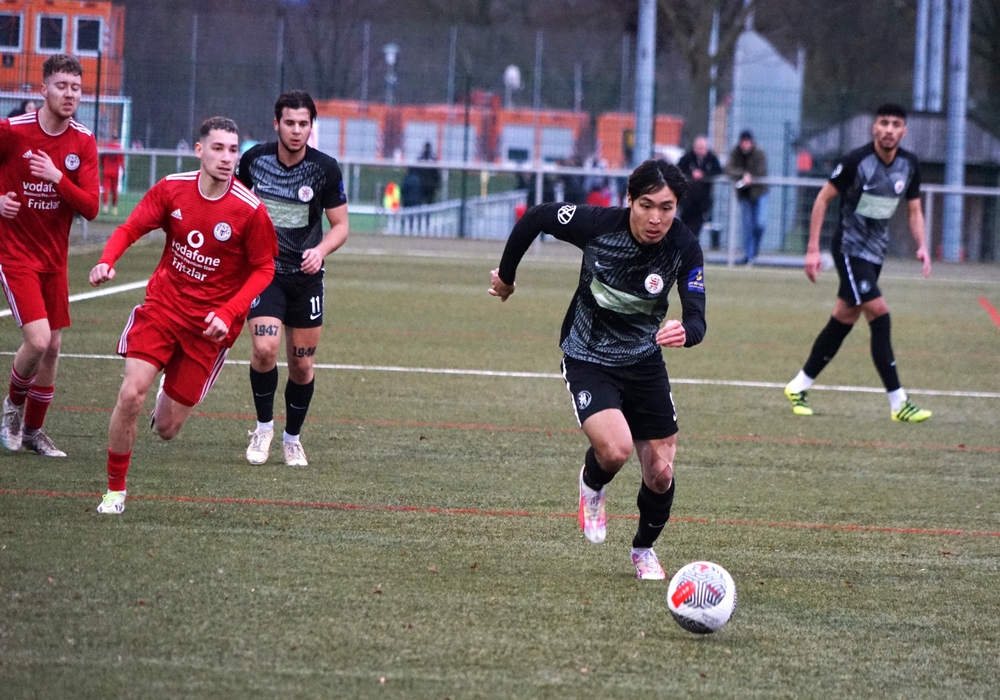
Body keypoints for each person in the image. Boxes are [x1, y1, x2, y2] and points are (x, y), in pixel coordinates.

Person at [489, 160, 707, 581]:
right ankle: (592, 485)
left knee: (661, 475)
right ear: (630, 200)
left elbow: (697, 316)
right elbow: (537, 217)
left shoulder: (684, 246)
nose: (656, 218)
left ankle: (643, 551)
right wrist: (508, 279)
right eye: (647, 205)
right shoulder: (597, 225)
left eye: (666, 208)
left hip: (644, 362)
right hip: (588, 356)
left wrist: (686, 331)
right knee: (616, 450)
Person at [89, 116, 278, 514]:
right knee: (130, 393)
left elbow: (265, 269)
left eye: (233, 150)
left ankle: (168, 395)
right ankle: (114, 492)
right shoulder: (172, 188)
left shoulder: (250, 211)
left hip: (208, 329)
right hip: (162, 307)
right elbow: (130, 228)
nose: (226, 158)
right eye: (218, 148)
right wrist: (107, 260)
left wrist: (228, 312)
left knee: (167, 429)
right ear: (199, 150)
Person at [783, 103, 932, 423]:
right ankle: (899, 402)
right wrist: (812, 249)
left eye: (896, 124)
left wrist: (922, 246)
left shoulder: (909, 164)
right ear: (874, 128)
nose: (889, 129)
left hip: (875, 252)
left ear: (904, 131)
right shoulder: (856, 161)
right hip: (849, 248)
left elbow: (914, 210)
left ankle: (798, 386)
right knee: (879, 312)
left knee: (844, 318)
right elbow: (822, 199)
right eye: (884, 123)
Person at [237, 91, 349, 467]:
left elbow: (341, 226)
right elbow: (235, 206)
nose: (297, 130)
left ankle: (292, 439)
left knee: (301, 365)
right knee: (264, 350)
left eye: (304, 124)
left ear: (311, 127)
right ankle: (263, 429)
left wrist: (321, 251)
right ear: (277, 124)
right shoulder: (254, 161)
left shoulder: (325, 168)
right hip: (265, 273)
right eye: (290, 123)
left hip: (306, 279)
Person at [0, 54, 100, 457]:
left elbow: (91, 207)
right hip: (15, 253)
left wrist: (58, 178)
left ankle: (33, 432)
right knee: (39, 340)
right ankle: (11, 409)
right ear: (43, 90)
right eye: (61, 86)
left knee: (54, 346)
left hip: (54, 259)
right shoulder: (13, 131)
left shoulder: (83, 141)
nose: (69, 94)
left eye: (76, 87)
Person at [725, 130, 768, 263]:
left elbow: (761, 170)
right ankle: (749, 256)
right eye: (743, 142)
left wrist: (751, 177)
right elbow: (728, 169)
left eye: (747, 142)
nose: (745, 145)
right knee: (747, 226)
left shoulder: (759, 153)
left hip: (760, 193)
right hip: (744, 195)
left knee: (760, 223)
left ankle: (755, 249)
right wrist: (743, 175)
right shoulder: (735, 153)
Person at [677, 135, 722, 245]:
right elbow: (678, 168)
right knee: (685, 226)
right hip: (687, 200)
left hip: (703, 201)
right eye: (699, 148)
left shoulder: (711, 159)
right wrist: (691, 174)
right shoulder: (687, 158)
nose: (701, 150)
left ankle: (690, 248)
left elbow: (718, 171)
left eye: (703, 148)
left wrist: (704, 174)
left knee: (696, 228)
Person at [99, 137, 124, 215]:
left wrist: (103, 166)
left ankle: (105, 207)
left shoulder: (106, 146)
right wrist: (123, 170)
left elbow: (102, 159)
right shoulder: (119, 148)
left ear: (111, 139)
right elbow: (122, 161)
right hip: (115, 172)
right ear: (117, 139)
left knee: (106, 189)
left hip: (107, 171)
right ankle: (114, 208)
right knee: (115, 190)